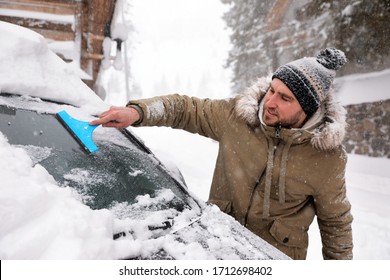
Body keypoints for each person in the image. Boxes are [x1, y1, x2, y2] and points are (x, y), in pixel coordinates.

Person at [90, 48, 353, 260]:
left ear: (308, 109)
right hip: (217, 246)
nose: (270, 103)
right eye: (272, 90)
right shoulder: (239, 116)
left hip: (273, 258)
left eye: (285, 99)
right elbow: (185, 109)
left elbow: (336, 223)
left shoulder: (326, 156)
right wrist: (139, 112)